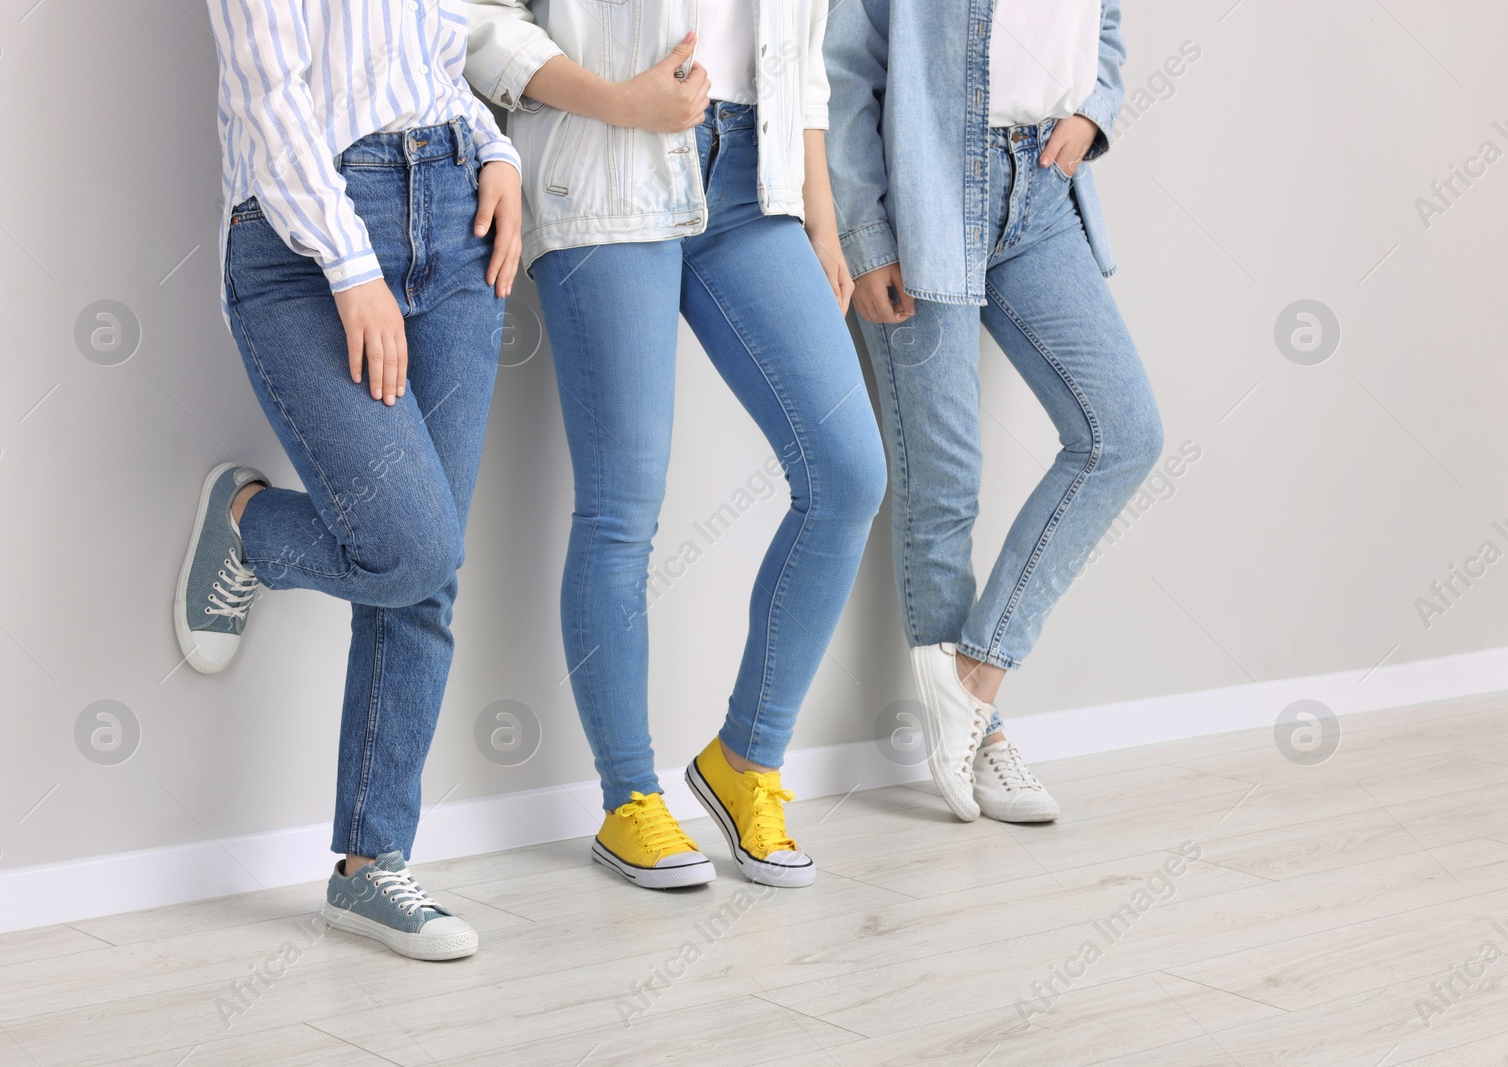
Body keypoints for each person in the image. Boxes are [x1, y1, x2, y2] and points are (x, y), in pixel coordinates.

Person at [465, 1, 887, 890]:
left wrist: (820, 210)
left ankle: (748, 759)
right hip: (607, 158)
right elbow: (476, 17)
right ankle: (629, 798)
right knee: (624, 507)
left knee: (849, 471)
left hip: (754, 173)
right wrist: (617, 102)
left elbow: (802, 46)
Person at [174, 0, 524, 960]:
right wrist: (350, 265)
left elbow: (437, 54)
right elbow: (267, 97)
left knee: (430, 568)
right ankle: (247, 523)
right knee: (415, 545)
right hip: (303, 236)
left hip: (458, 214)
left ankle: (372, 866)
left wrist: (498, 151)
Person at [826, 0, 1163, 823]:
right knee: (944, 483)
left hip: (1044, 186)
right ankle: (987, 739)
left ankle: (973, 681)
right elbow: (841, 69)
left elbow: (1103, 24)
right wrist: (864, 233)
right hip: (926, 190)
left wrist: (1095, 108)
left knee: (1123, 433)